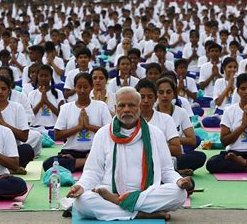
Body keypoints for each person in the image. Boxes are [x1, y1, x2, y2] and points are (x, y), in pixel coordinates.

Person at [68, 87, 193, 221]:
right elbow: (93, 171)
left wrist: (178, 180)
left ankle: (119, 204)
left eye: (131, 105)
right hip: (110, 190)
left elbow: (166, 170)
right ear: (116, 108)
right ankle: (139, 214)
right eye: (122, 105)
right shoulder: (103, 134)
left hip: (146, 193)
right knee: (82, 201)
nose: (126, 109)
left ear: (139, 107)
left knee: (179, 194)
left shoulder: (155, 133)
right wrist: (81, 186)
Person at [43, 72, 112, 172]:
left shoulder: (101, 106)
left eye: (86, 87)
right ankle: (86, 162)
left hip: (94, 151)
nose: (82, 90)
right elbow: (57, 135)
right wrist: (78, 127)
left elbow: (109, 131)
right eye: (79, 87)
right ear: (74, 87)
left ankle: (78, 163)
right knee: (48, 164)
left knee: (111, 160)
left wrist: (88, 126)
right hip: (70, 153)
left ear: (91, 87)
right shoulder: (66, 108)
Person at [155, 78, 206, 174]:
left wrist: (171, 138)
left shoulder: (181, 112)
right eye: (161, 92)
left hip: (176, 155)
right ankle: (174, 171)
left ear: (174, 94)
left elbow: (192, 140)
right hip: (155, 155)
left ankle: (170, 170)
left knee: (200, 157)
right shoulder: (152, 112)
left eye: (168, 92)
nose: (165, 95)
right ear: (156, 94)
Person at [28, 64, 65, 135]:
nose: (43, 78)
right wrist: (41, 102)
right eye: (41, 76)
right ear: (37, 77)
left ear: (51, 77)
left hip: (52, 129)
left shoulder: (58, 93)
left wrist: (47, 102)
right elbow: (30, 116)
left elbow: (61, 115)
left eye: (46, 76)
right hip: (36, 129)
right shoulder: (32, 94)